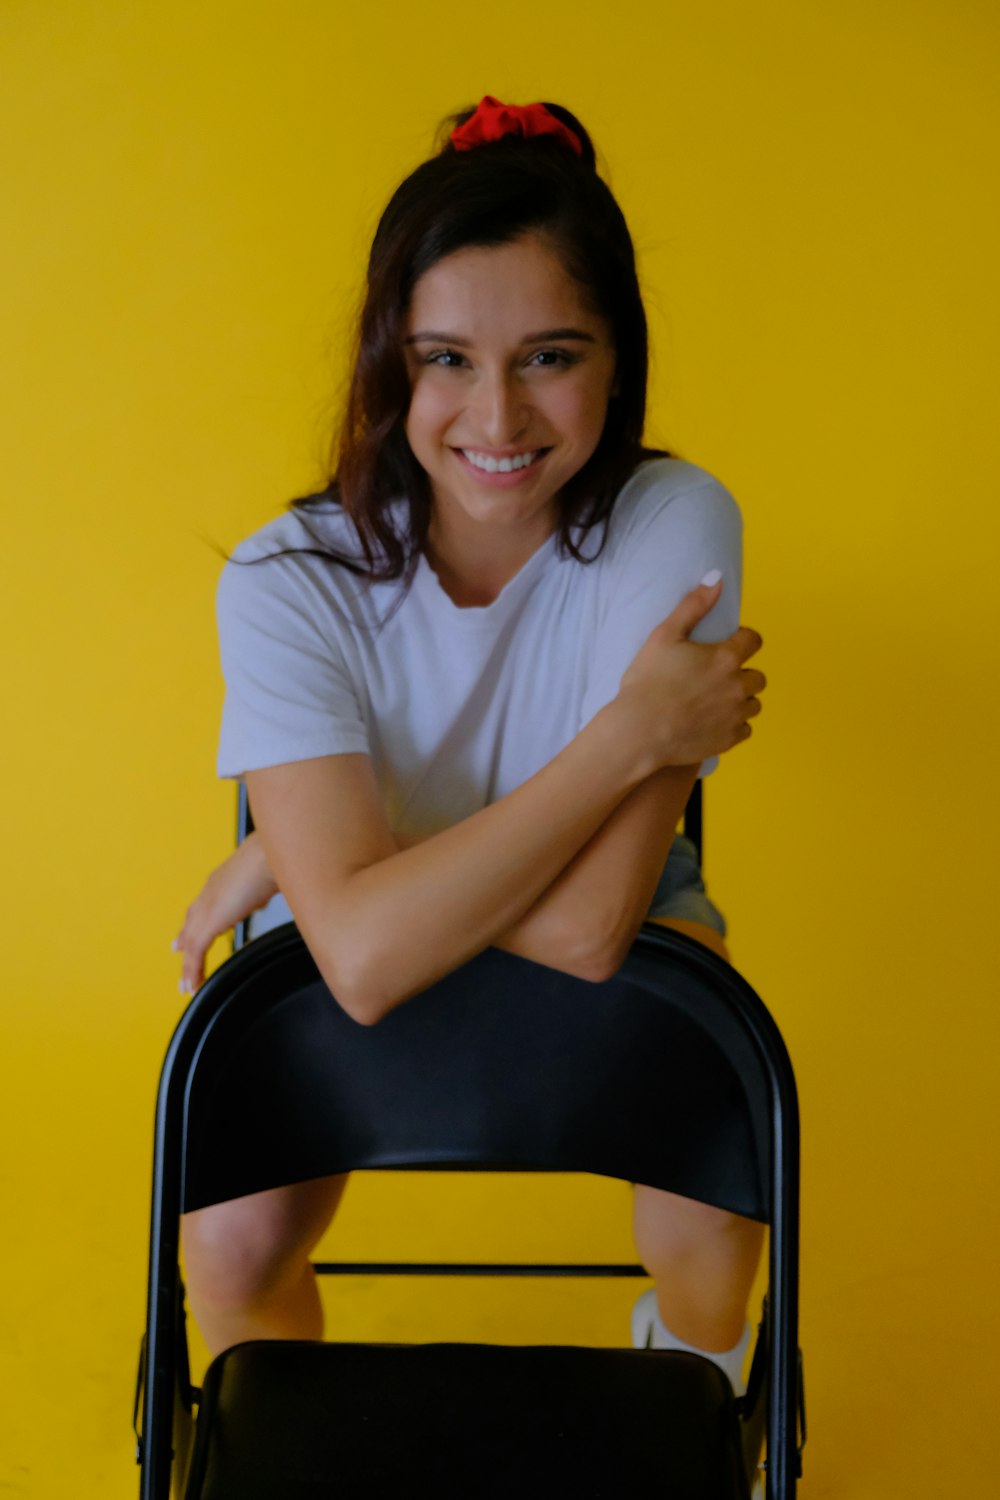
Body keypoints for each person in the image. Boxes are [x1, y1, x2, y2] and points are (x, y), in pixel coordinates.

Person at [173, 96, 766, 1395]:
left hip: (528, 903)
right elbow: (369, 969)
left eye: (551, 354)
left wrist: (336, 862)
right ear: (390, 358)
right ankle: (286, 1432)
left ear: (619, 356)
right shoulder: (287, 575)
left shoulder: (676, 520)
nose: (496, 417)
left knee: (716, 1175)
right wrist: (628, 741)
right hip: (353, 906)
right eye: (445, 358)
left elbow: (594, 929)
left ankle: (702, 1385)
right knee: (227, 1239)